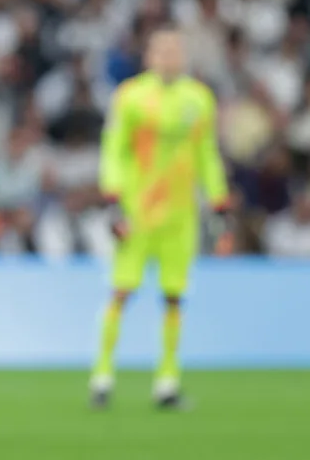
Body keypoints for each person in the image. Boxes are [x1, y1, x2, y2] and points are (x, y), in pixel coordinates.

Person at [89, 27, 232, 409]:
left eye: (175, 51)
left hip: (180, 217)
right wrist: (113, 198)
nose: (169, 58)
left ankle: (167, 381)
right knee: (121, 291)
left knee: (174, 298)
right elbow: (113, 149)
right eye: (162, 51)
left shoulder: (199, 99)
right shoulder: (131, 97)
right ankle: (102, 376)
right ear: (149, 57)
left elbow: (207, 153)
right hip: (137, 213)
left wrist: (218, 200)